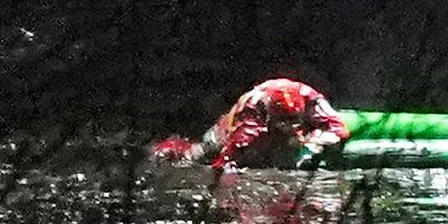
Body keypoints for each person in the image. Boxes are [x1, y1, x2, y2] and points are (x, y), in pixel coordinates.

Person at [150, 77, 349, 169]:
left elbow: (339, 129)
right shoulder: (251, 114)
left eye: (293, 121)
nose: (290, 127)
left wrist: (313, 143)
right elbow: (227, 159)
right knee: (196, 154)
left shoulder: (310, 97)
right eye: (284, 121)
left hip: (283, 129)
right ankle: (162, 150)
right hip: (226, 131)